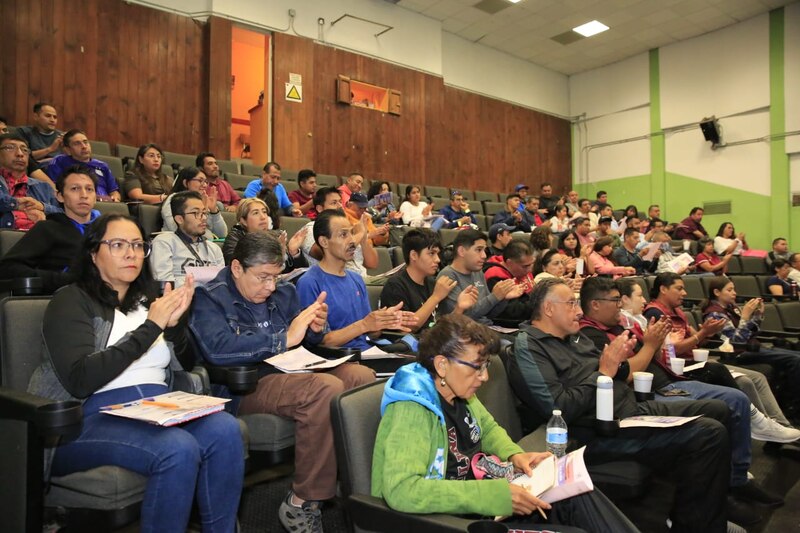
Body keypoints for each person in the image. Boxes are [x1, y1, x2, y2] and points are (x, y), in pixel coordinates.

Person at [27, 214, 243, 532]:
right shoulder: (71, 301)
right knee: (177, 448)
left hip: (158, 406)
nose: (131, 253)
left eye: (138, 245)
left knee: (225, 429)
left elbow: (185, 364)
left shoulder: (148, 301)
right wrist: (152, 326)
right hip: (86, 419)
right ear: (92, 253)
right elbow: (81, 378)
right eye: (117, 244)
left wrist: (176, 328)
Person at [507, 278, 744, 533]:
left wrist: (620, 360)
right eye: (572, 303)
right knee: (709, 433)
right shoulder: (528, 346)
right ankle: (699, 525)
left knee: (719, 409)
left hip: (629, 408)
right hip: (597, 430)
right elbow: (558, 408)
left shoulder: (575, 338)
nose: (579, 310)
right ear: (549, 309)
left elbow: (615, 371)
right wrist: (603, 374)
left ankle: (704, 510)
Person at [372, 313, 640, 532]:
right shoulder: (413, 408)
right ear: (442, 365)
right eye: (477, 366)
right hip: (446, 521)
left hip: (481, 502)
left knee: (579, 495)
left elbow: (486, 429)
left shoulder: (457, 390)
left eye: (486, 365)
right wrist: (496, 496)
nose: (485, 376)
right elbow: (402, 490)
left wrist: (515, 455)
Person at [190, 231, 374, 533]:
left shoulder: (283, 292)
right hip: (246, 384)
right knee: (324, 389)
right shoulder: (209, 297)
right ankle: (303, 503)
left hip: (293, 372)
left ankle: (353, 482)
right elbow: (219, 349)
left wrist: (316, 327)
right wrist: (283, 338)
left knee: (360, 377)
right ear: (237, 268)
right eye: (262, 278)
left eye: (275, 277)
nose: (270, 286)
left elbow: (308, 339)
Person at [579, 278, 794, 511]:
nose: (620, 306)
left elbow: (657, 359)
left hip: (668, 380)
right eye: (614, 301)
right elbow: (624, 373)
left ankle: (739, 472)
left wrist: (657, 344)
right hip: (651, 393)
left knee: (740, 391)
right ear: (595, 304)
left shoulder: (620, 326)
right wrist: (652, 344)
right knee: (731, 401)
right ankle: (735, 478)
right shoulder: (593, 334)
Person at [296, 210, 417, 351]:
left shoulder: (356, 279)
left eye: (351, 233)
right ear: (324, 242)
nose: (352, 240)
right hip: (336, 359)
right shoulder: (309, 282)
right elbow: (320, 343)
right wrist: (364, 325)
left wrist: (383, 321)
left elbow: (371, 333)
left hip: (366, 353)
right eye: (343, 235)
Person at [702, 276, 800, 424]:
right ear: (716, 292)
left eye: (734, 289)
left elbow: (751, 333)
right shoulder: (714, 313)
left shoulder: (731, 308)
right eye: (729, 290)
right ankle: (794, 408)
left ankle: (789, 406)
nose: (734, 293)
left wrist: (757, 316)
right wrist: (745, 317)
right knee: (795, 360)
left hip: (752, 348)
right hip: (738, 354)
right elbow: (736, 342)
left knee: (797, 355)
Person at [0, 164, 100, 291]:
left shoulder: (107, 231)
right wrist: (65, 279)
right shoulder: (47, 229)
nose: (84, 195)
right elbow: (8, 268)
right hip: (67, 300)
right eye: (75, 189)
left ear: (95, 197)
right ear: (60, 196)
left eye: (89, 189)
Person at [380, 228, 477, 331]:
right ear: (414, 255)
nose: (438, 259)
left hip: (435, 342)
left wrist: (459, 308)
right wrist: (435, 297)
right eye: (431, 253)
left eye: (437, 254)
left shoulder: (432, 283)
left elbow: (442, 326)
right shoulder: (395, 285)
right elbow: (405, 329)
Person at [436, 229, 523, 325]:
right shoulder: (447, 276)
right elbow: (462, 317)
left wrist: (503, 298)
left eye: (484, 250)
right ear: (461, 251)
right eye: (478, 250)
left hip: (486, 328)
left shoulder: (477, 272)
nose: (484, 255)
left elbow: (488, 314)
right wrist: (494, 297)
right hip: (463, 333)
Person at [149, 191, 225, 287]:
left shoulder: (214, 248)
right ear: (179, 219)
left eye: (204, 212)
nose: (204, 218)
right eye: (196, 213)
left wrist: (188, 278)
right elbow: (165, 284)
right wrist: (205, 279)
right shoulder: (164, 242)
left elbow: (222, 284)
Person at [299, 187, 378, 277]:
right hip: (333, 280)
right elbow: (322, 252)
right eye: (334, 203)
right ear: (320, 208)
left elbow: (372, 264)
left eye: (340, 202)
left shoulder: (351, 229)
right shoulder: (311, 228)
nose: (340, 206)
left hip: (362, 279)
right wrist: (359, 234)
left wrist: (363, 238)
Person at [222, 198, 307, 270]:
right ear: (243, 221)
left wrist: (294, 252)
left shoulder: (277, 235)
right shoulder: (235, 238)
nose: (263, 217)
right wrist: (274, 255)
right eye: (256, 213)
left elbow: (301, 271)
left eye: (264, 212)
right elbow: (239, 268)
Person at [0, 133, 61, 229]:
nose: (20, 154)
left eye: (24, 150)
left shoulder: (44, 187)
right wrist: (17, 204)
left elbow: (64, 213)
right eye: (10, 148)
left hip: (38, 238)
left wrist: (42, 207)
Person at [45, 129, 121, 201]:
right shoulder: (59, 161)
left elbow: (114, 191)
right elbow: (53, 187)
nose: (84, 146)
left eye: (85, 142)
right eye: (77, 143)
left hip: (105, 204)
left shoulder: (103, 166)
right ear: (68, 150)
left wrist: (115, 199)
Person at [161, 166, 227, 238]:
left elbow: (222, 234)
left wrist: (214, 211)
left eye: (206, 182)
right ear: (186, 182)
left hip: (202, 245)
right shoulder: (173, 199)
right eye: (200, 180)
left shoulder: (202, 201)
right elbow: (176, 229)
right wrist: (203, 213)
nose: (204, 185)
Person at [484, 240, 536, 323]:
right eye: (525, 266)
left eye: (531, 264)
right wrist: (539, 305)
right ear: (509, 262)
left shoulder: (522, 270)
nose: (530, 269)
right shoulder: (495, 275)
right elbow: (510, 312)